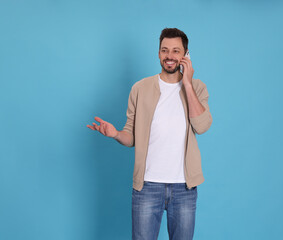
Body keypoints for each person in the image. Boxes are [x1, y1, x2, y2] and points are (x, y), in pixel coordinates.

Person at [87, 28, 212, 240]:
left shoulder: (198, 88)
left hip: (184, 187)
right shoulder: (140, 88)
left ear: (185, 55)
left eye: (175, 51)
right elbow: (131, 136)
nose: (169, 56)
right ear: (158, 53)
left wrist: (188, 83)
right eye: (164, 50)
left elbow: (202, 125)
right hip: (147, 187)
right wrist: (116, 133)